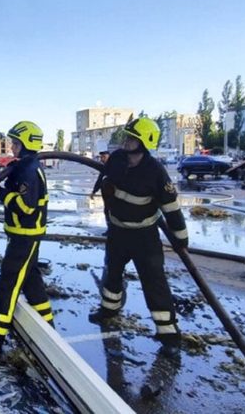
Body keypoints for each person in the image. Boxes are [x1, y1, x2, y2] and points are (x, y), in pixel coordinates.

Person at [88, 117, 188, 352]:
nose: (126, 141)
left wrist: (181, 238)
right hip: (117, 232)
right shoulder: (117, 160)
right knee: (112, 273)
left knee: (154, 282)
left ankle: (168, 333)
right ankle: (109, 309)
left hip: (145, 237)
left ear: (144, 142)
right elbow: (104, 178)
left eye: (131, 138)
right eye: (126, 136)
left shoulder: (155, 171)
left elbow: (171, 207)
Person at [0, 121, 52, 357]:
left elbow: (26, 207)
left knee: (7, 286)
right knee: (32, 281)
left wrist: (1, 192)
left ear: (25, 144)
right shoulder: (24, 166)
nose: (12, 147)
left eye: (15, 143)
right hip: (22, 235)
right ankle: (49, 329)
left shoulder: (28, 170)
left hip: (25, 236)